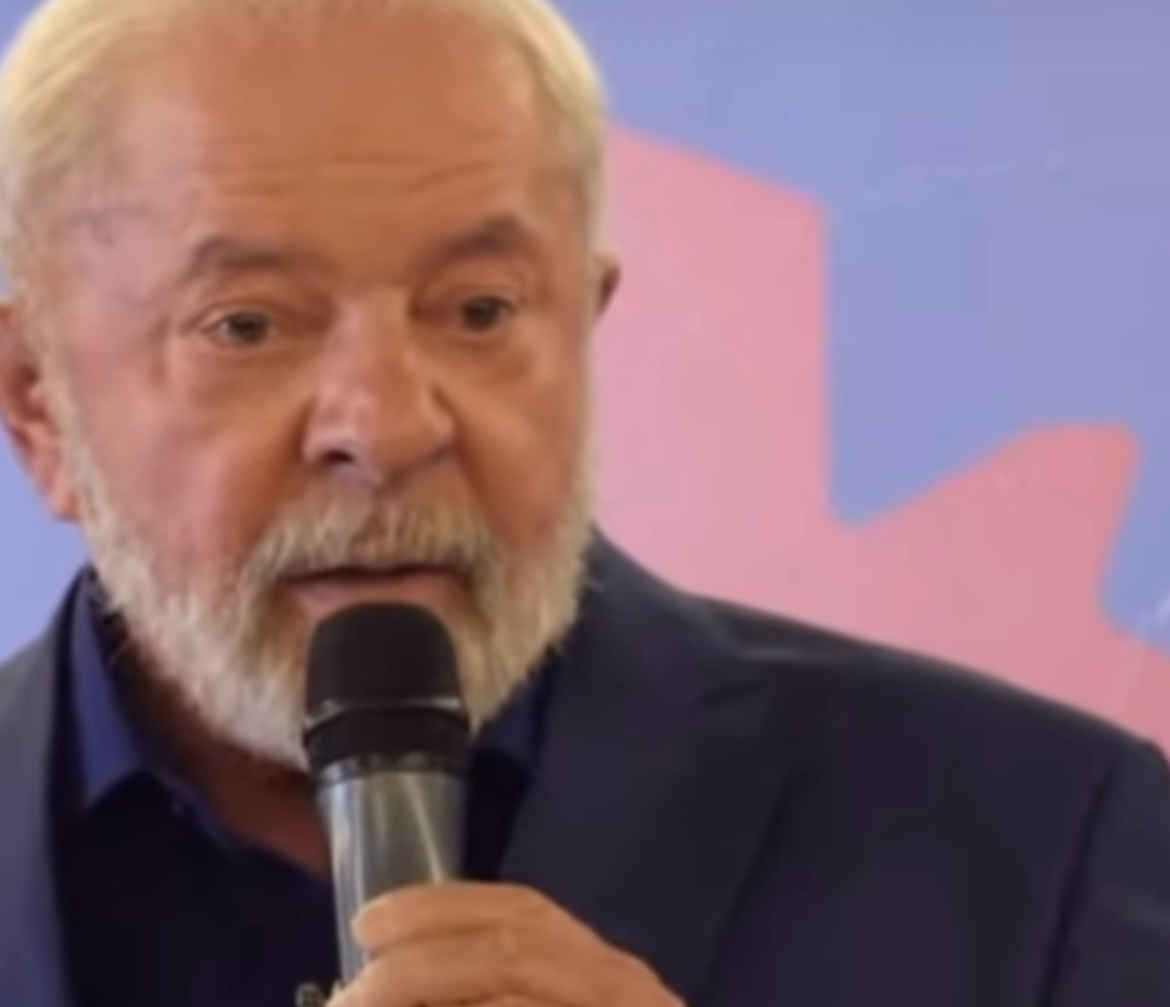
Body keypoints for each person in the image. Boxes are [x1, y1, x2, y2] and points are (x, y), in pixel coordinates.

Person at [0, 0, 1167, 1004]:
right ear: (38, 401)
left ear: (585, 331)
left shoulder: (1046, 843)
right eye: (248, 324)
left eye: (481, 310)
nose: (390, 427)